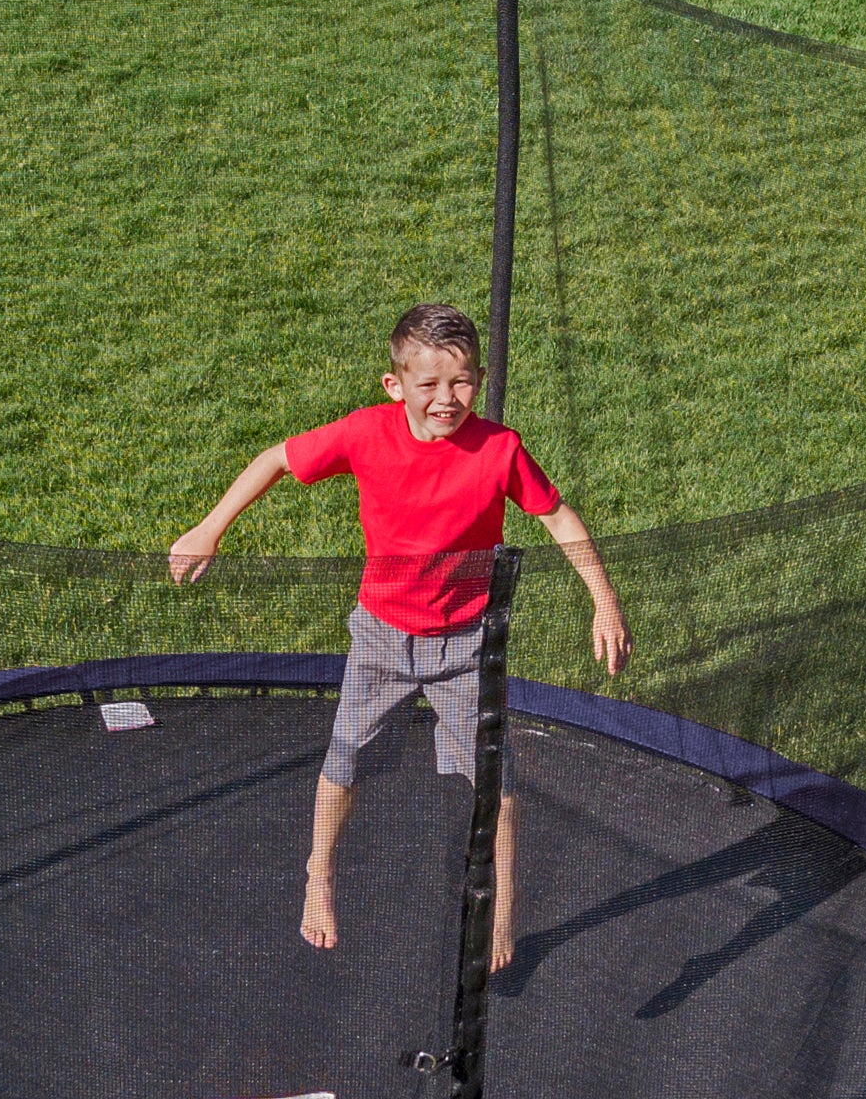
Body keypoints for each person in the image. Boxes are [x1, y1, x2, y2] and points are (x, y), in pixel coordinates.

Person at [168, 301, 630, 968]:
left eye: (463, 381)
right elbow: (274, 458)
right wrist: (211, 527)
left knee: (495, 784)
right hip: (383, 637)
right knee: (343, 760)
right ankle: (318, 877)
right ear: (395, 386)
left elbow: (556, 516)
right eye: (430, 385)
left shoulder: (498, 449)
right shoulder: (365, 434)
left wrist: (603, 599)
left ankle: (500, 913)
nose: (448, 398)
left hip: (467, 644)